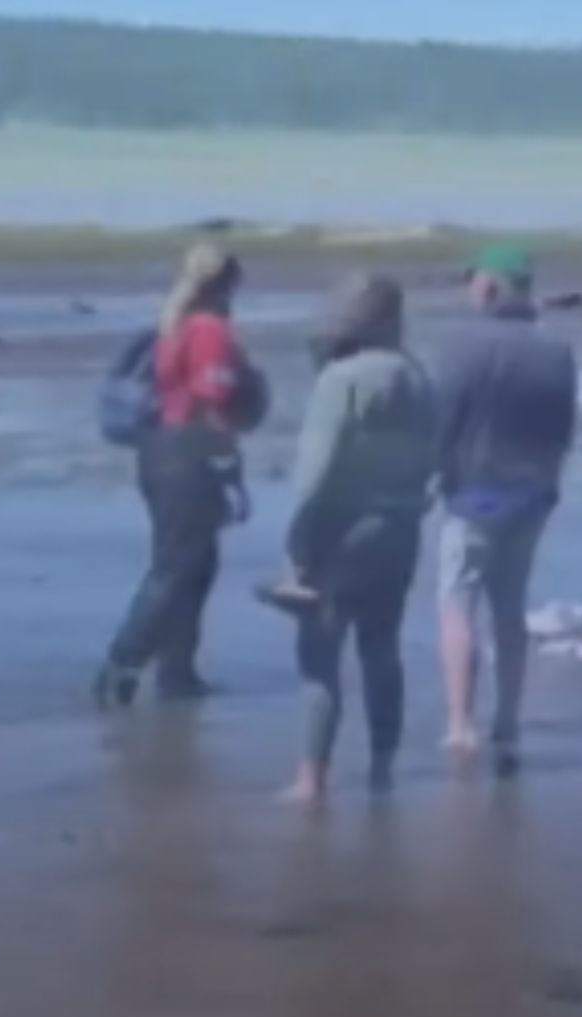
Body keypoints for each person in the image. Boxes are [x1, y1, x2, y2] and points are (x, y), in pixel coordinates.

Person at [270, 274, 437, 803]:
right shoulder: (419, 377)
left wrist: (297, 540)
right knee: (382, 648)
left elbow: (315, 471)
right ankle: (382, 767)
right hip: (401, 527)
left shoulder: (342, 379)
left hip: (341, 527)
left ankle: (311, 777)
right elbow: (436, 457)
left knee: (320, 651)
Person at [434, 245, 577, 767]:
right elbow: (563, 429)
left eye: (473, 281)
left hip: (474, 494)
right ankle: (507, 720)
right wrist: (550, 484)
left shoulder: (463, 346)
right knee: (510, 606)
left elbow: (442, 421)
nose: (470, 290)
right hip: (533, 493)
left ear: (490, 288)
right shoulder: (555, 349)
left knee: (457, 604)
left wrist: (428, 475)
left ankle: (459, 724)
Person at [95, 244, 252, 709]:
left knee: (194, 565)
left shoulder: (174, 324)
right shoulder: (209, 331)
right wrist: (227, 463)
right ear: (227, 285)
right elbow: (213, 399)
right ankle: (122, 665)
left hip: (160, 450)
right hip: (190, 453)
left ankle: (177, 670)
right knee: (177, 565)